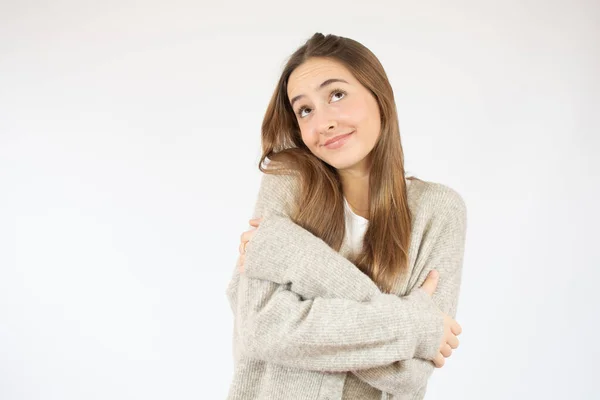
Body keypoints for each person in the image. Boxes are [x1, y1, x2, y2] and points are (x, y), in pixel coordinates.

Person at [225, 32, 467, 400]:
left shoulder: (439, 210)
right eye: (305, 110)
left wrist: (290, 253)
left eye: (336, 95)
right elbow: (260, 328)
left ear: (378, 94)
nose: (323, 123)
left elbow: (409, 374)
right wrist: (412, 324)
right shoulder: (288, 182)